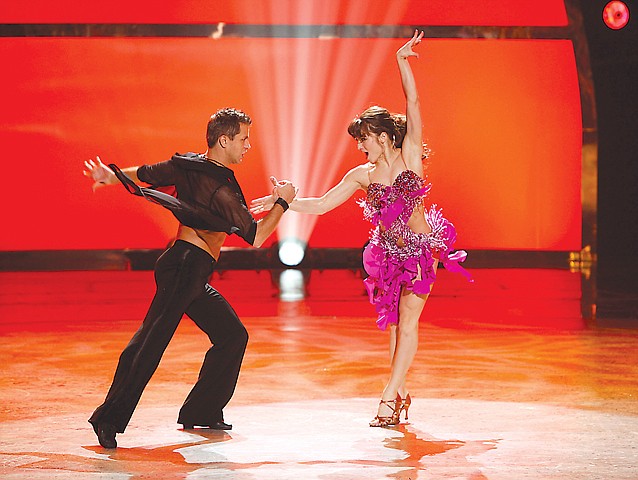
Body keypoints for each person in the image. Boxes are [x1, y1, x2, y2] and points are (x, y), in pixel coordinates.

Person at [250, 31, 471, 427]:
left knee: (408, 322)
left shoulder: (409, 157)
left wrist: (401, 62)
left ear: (383, 137)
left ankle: (388, 398)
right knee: (393, 331)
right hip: (387, 257)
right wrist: (282, 202)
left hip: (419, 252)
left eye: (363, 139)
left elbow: (414, 103)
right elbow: (319, 204)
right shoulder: (362, 174)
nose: (360, 146)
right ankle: (399, 392)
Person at [83, 107, 297, 448]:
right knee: (149, 344)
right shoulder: (217, 181)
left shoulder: (195, 169)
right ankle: (108, 418)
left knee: (232, 335)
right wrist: (283, 203)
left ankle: (201, 410)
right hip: (185, 266)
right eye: (243, 139)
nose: (248, 146)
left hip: (190, 269)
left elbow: (145, 173)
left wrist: (110, 176)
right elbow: (256, 236)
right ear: (224, 140)